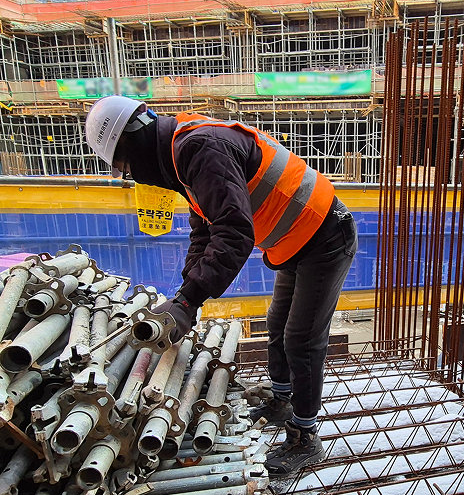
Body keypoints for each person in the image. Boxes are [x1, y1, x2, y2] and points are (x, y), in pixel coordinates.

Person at [84, 95, 356, 475]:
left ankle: (305, 437)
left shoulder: (199, 148)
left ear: (136, 141)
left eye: (127, 167)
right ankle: (281, 401)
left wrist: (191, 297)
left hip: (325, 235)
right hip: (295, 240)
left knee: (301, 337)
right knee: (278, 322)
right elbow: (205, 231)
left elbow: (233, 233)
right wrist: (184, 300)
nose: (134, 176)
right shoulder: (181, 158)